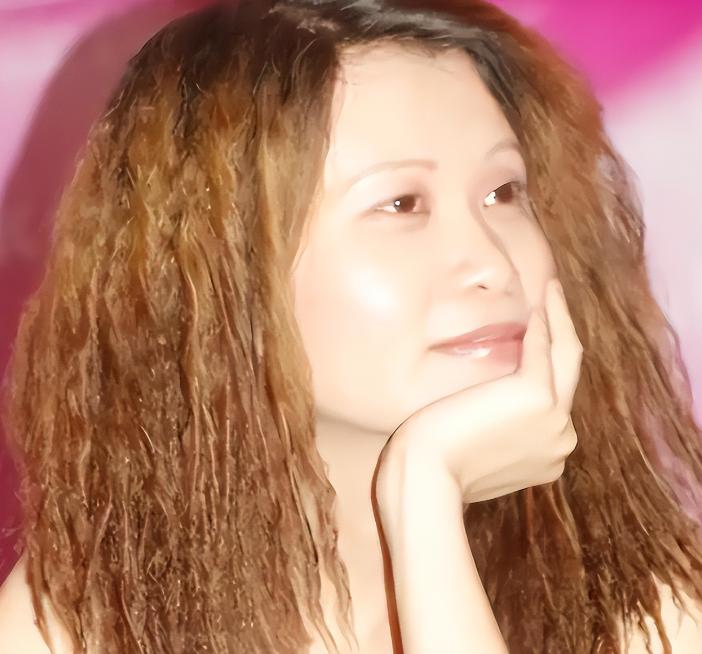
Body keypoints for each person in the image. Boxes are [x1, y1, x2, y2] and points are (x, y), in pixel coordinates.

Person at [1, 0, 701, 652]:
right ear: (224, 265)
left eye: (503, 192)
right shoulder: (83, 622)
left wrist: (426, 498)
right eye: (401, 204)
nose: (493, 263)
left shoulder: (643, 606)